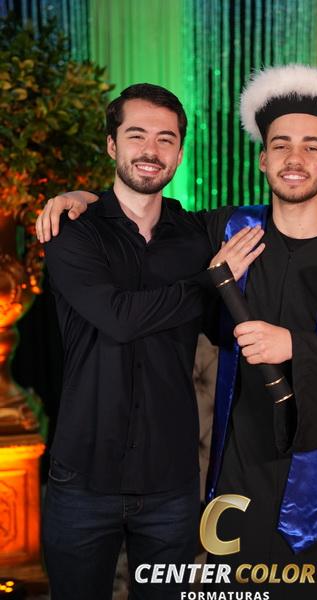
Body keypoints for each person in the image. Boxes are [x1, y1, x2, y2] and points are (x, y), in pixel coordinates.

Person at [38, 65, 317, 599]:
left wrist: (294, 346)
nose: (294, 158)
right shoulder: (228, 232)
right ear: (262, 159)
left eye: (311, 147)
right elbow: (138, 203)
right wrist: (82, 196)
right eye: (280, 144)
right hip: (240, 461)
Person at [40, 82, 263, 600]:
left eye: (166, 139)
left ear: (180, 154)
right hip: (82, 477)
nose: (151, 150)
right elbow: (118, 318)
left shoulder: (197, 234)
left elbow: (276, 220)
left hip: (171, 482)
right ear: (112, 145)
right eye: (136, 135)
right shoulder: (74, 231)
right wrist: (212, 280)